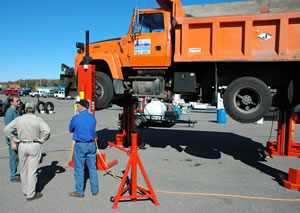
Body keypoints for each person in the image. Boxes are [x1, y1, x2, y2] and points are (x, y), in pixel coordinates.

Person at [4, 102, 51, 201]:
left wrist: (14, 139)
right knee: (32, 170)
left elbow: (7, 129)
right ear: (34, 109)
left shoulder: (19, 119)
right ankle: (31, 193)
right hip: (34, 144)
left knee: (23, 169)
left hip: (22, 145)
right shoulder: (37, 120)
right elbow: (47, 130)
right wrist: (42, 139)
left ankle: (25, 190)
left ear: (25, 110)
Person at [69, 99, 98, 198]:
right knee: (92, 168)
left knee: (79, 169)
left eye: (78, 106)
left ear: (81, 106)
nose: (77, 107)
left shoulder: (76, 118)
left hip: (80, 145)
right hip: (91, 145)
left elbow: (70, 129)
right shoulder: (92, 118)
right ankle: (94, 189)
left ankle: (79, 191)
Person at [4, 94, 21, 182]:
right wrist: (12, 142)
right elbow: (8, 129)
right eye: (17, 101)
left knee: (16, 158)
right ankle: (13, 176)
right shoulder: (10, 113)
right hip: (12, 139)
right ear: (11, 102)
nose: (19, 102)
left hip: (16, 138)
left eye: (19, 100)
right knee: (13, 158)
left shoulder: (16, 111)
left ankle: (15, 173)